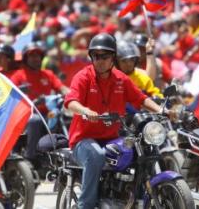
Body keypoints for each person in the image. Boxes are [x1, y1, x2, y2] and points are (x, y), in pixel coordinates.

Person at [64, 33, 176, 209]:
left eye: (105, 56)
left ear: (113, 58)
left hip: (112, 137)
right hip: (82, 140)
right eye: (96, 56)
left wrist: (162, 110)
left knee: (139, 152)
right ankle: (85, 205)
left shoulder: (120, 79)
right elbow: (71, 101)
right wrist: (85, 110)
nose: (100, 60)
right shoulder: (83, 76)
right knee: (96, 156)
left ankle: (129, 198)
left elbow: (140, 98)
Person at [11, 41, 69, 163]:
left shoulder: (48, 74)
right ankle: (31, 157)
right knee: (35, 120)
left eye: (37, 56)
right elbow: (11, 95)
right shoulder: (18, 75)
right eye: (32, 56)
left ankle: (65, 152)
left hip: (48, 113)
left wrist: (72, 93)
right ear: (26, 58)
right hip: (27, 114)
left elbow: (62, 87)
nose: (35, 59)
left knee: (62, 115)